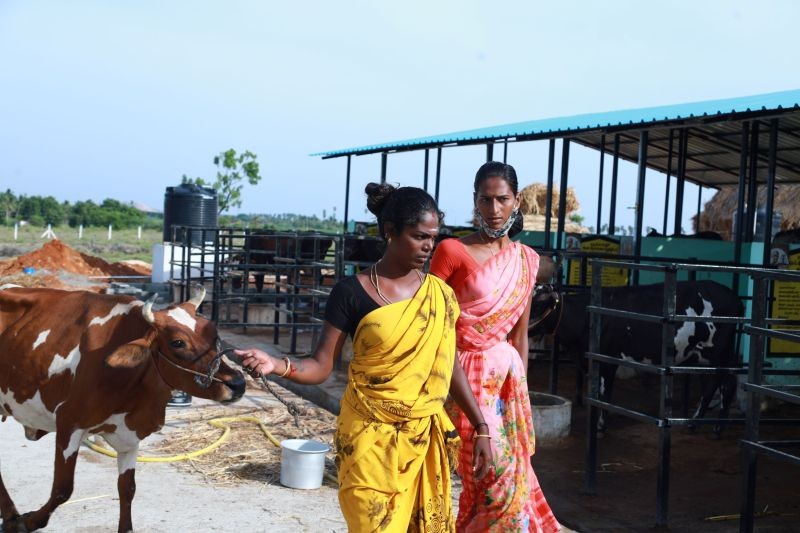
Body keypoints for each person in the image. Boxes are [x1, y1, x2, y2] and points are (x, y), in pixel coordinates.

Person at [235, 183, 492, 532]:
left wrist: (481, 428)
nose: (429, 246)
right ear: (390, 232)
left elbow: (449, 366)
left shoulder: (440, 296)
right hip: (369, 440)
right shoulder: (350, 293)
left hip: (422, 440)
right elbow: (321, 365)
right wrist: (278, 364)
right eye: (419, 237)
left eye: (433, 237)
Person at [429, 162, 561, 532]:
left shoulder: (526, 260)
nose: (494, 209)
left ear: (517, 201)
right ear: (475, 202)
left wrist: (520, 396)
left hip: (507, 384)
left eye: (502, 199)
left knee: (508, 482)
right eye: (485, 200)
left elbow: (520, 335)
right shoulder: (451, 252)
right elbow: (430, 324)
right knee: (493, 482)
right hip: (462, 376)